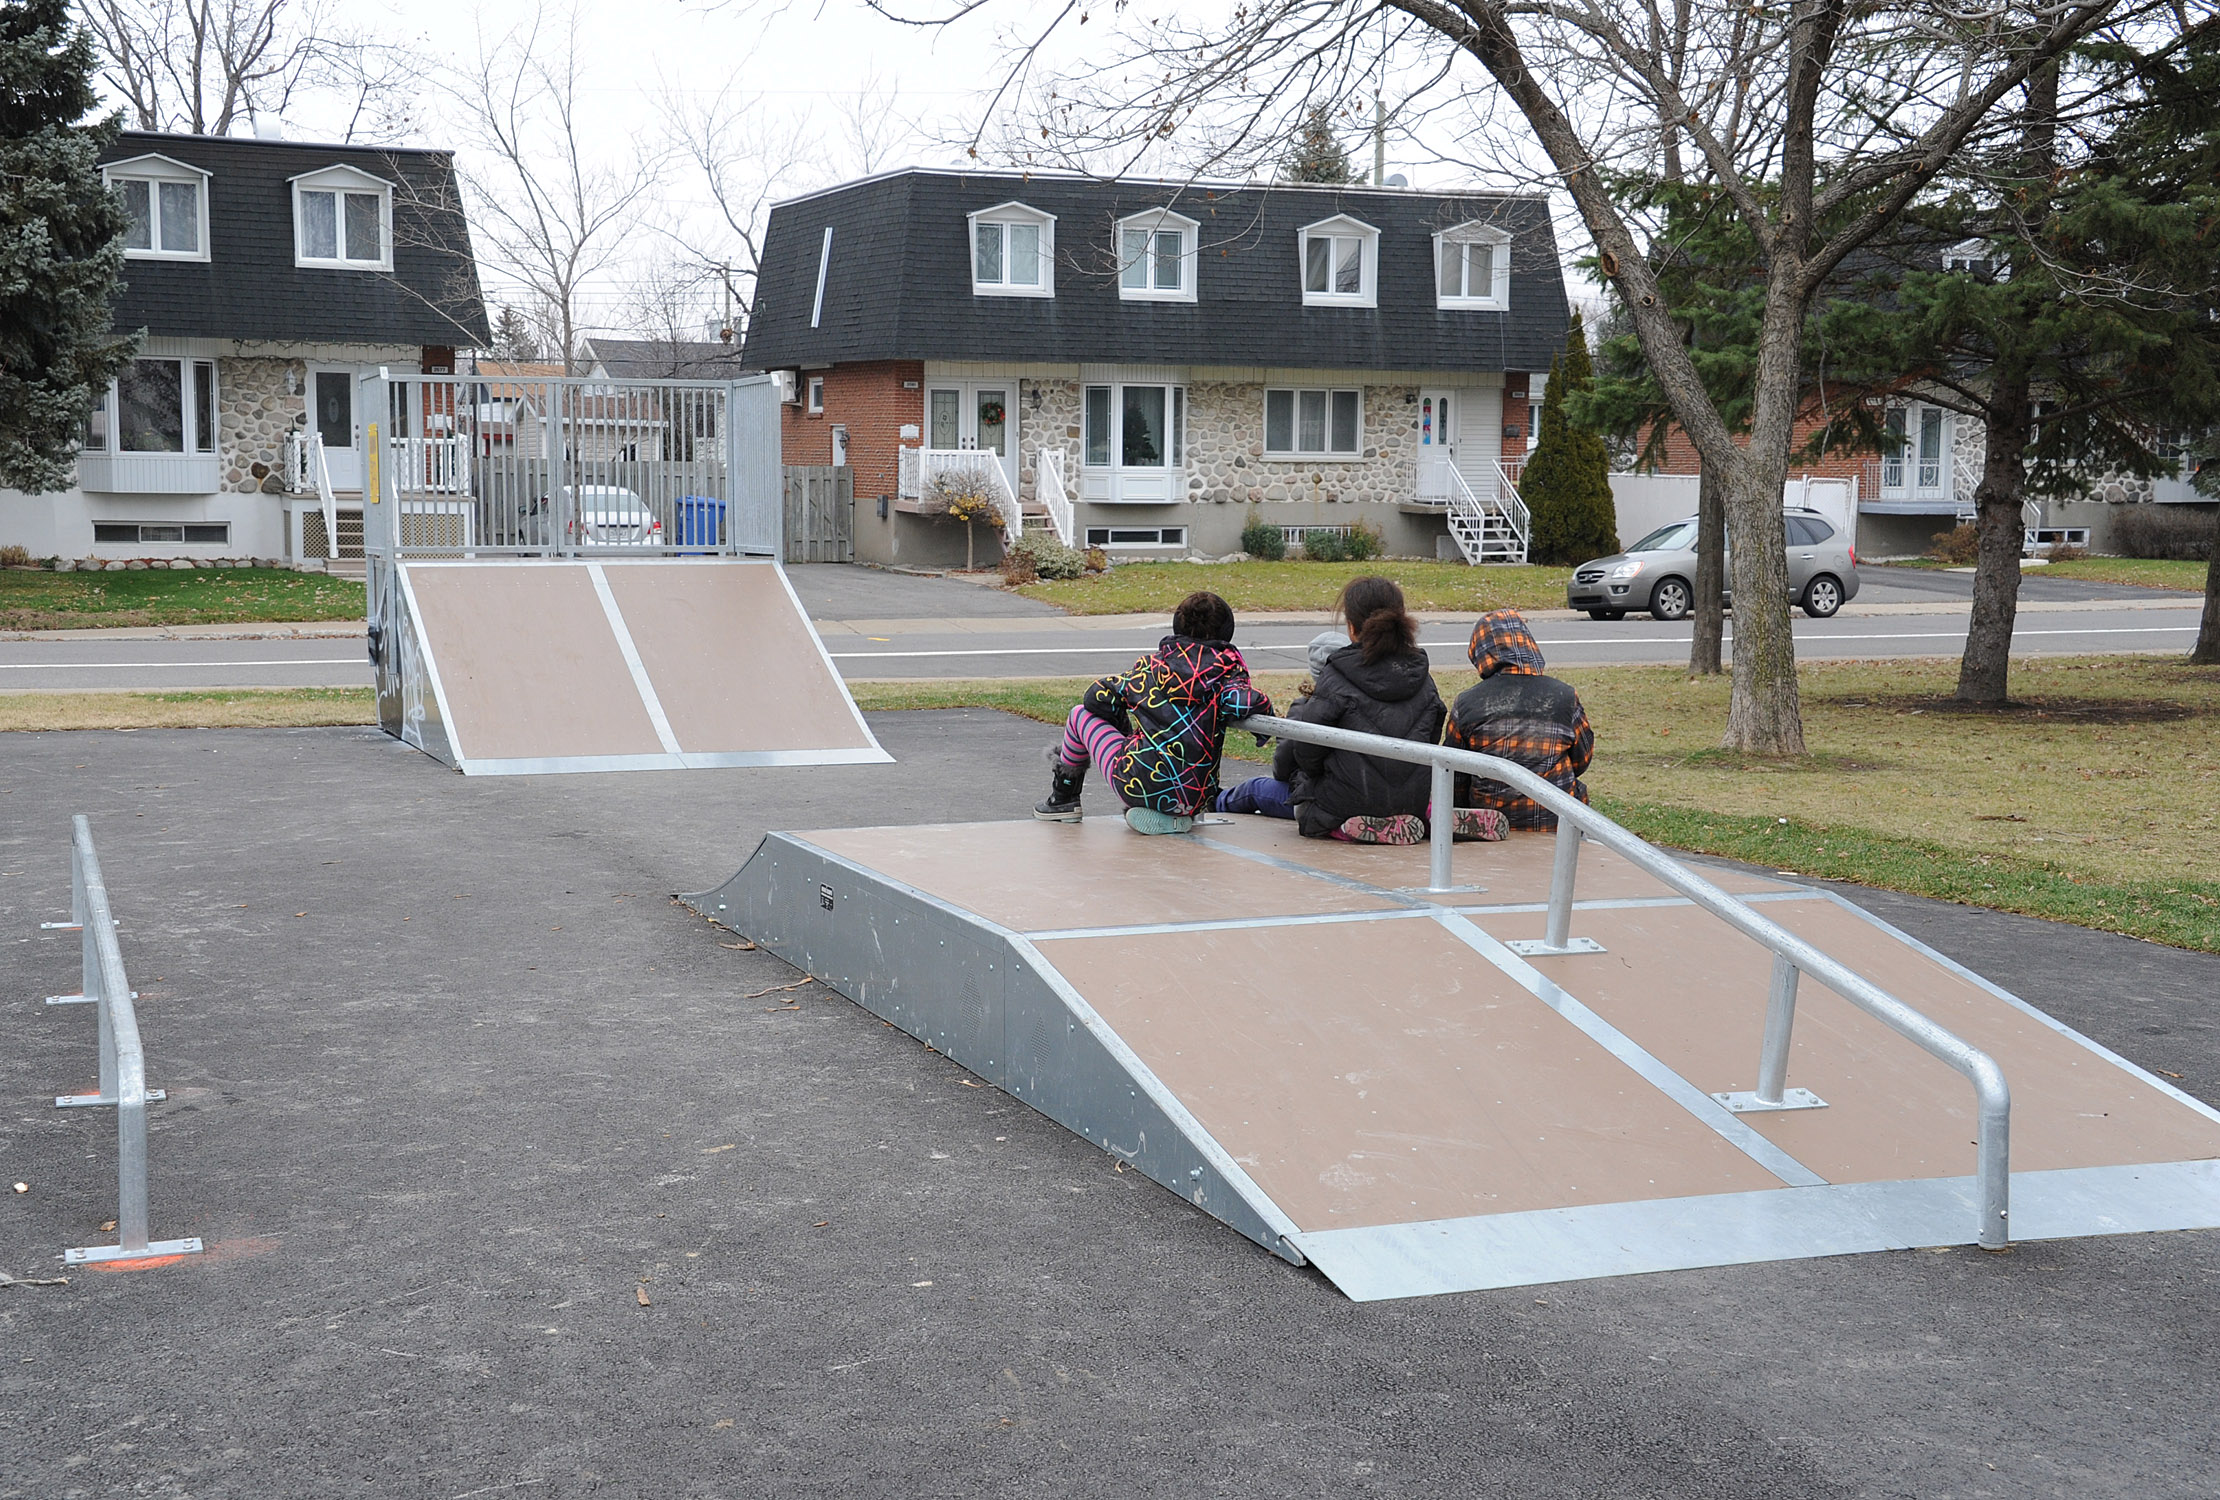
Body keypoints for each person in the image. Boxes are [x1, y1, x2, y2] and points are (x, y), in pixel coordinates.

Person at [1033, 590, 1273, 835]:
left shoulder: (1151, 668)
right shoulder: (1228, 674)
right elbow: (1241, 703)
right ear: (1227, 631)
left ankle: (1063, 799)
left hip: (1137, 784)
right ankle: (1176, 817)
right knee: (1182, 783)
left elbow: (1096, 696)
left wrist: (1124, 725)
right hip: (1197, 795)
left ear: (1177, 626)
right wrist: (1264, 723)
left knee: (1078, 715)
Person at [1280, 576, 1447, 844]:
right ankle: (1422, 817)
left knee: (1303, 804)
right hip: (1410, 802)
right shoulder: (1423, 677)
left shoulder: (1337, 673)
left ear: (1351, 628)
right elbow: (1432, 737)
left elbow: (1307, 747)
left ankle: (1344, 827)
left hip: (1344, 801)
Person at [1443, 609, 1594, 830]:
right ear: (1529, 646)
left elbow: (1454, 775)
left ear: (1480, 653)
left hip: (1491, 827)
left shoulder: (1467, 703)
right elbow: (1582, 759)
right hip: (1555, 822)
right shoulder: (1565, 696)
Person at [1213, 629, 1347, 820]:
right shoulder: (1365, 702)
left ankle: (1214, 803)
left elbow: (1282, 767)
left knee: (1253, 789)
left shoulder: (1304, 708)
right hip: (1359, 792)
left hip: (1317, 799)